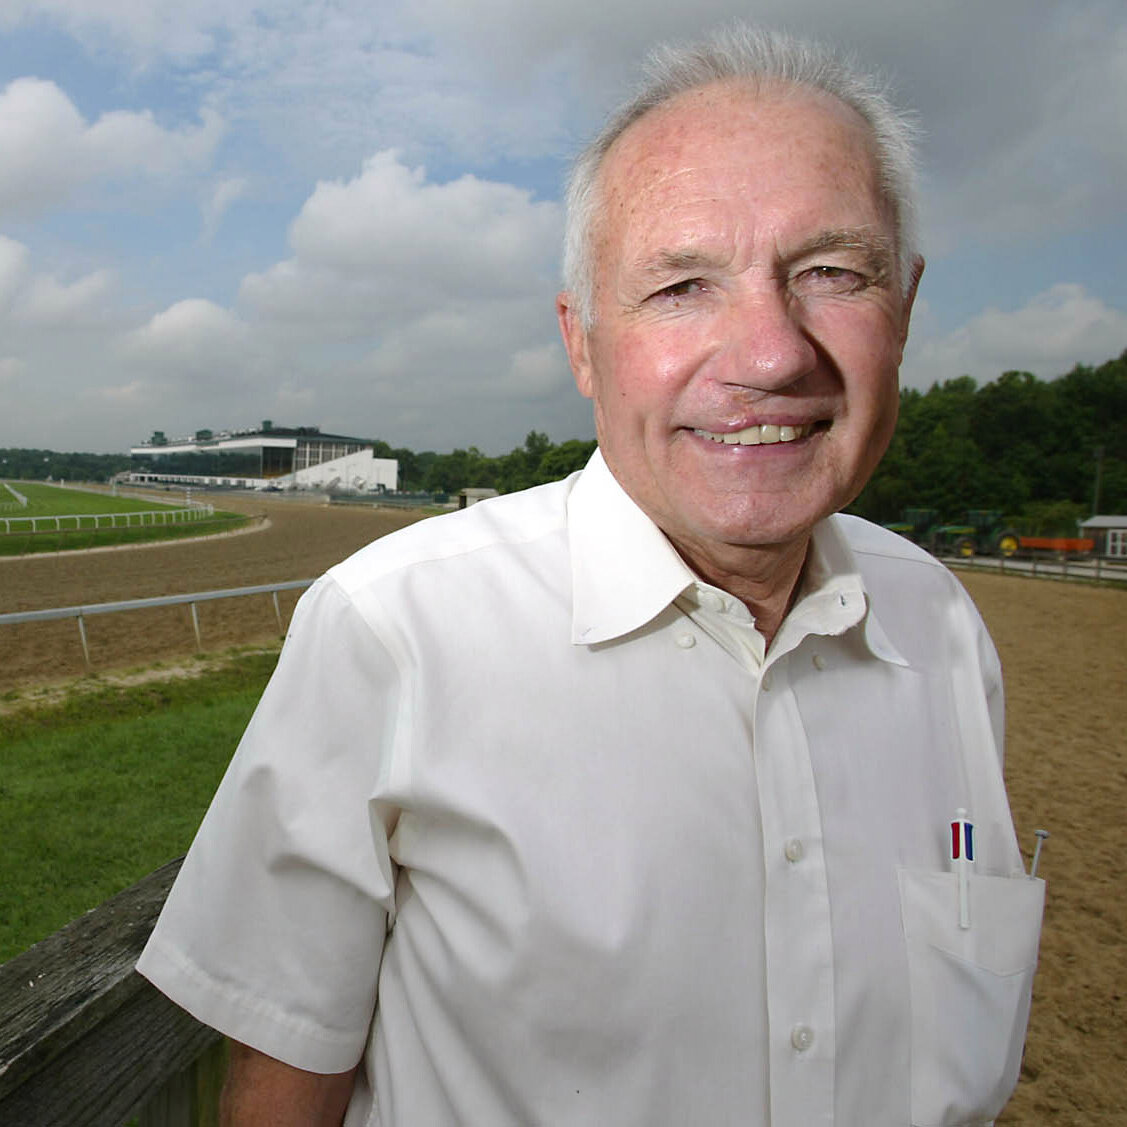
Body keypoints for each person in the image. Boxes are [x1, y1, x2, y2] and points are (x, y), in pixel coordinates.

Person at [137, 24, 1044, 1126]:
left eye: (830, 273)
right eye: (679, 286)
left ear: (900, 310)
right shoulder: (391, 629)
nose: (769, 353)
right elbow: (281, 1089)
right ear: (581, 342)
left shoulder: (941, 625)